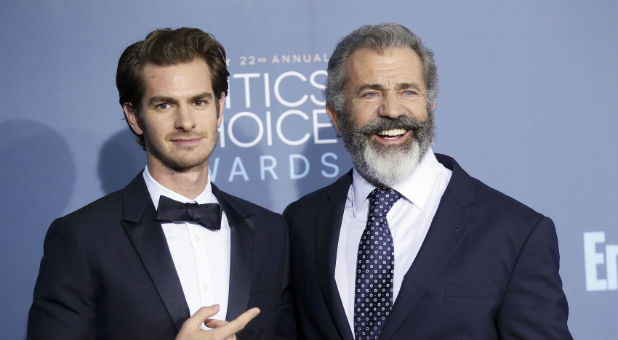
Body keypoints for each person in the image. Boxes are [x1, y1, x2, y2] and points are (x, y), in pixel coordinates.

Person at [284, 23, 572, 340]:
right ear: (336, 116)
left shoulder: (515, 233)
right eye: (371, 93)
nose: (392, 110)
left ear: (430, 106)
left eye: (408, 91)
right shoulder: (300, 223)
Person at [28, 27, 294, 340]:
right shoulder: (82, 239)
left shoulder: (270, 232)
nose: (186, 121)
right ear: (134, 116)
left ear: (220, 107)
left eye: (199, 102)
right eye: (164, 105)